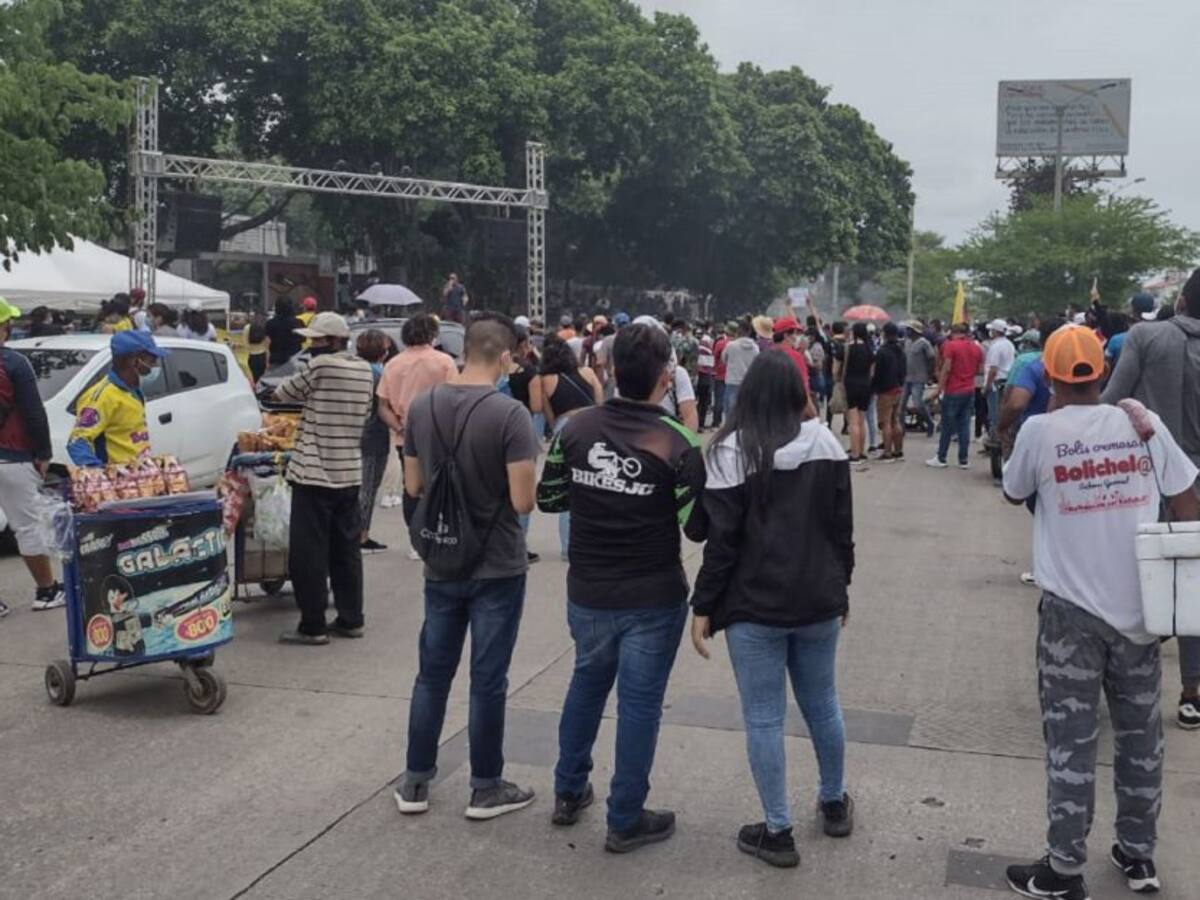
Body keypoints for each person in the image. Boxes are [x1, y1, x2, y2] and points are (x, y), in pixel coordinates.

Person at [1002, 325, 1198, 900]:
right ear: (1103, 371)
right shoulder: (1142, 423)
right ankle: (1138, 855)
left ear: (1052, 376)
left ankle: (1064, 870)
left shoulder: (1040, 431)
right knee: (1141, 739)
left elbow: (1014, 490)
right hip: (1140, 610)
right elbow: (1187, 498)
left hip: (1070, 615)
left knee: (1072, 741)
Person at [536, 323, 706, 852]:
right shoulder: (679, 441)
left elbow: (550, 498)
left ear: (609, 370)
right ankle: (625, 817)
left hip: (589, 590)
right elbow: (697, 526)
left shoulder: (575, 429)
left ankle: (568, 792)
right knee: (639, 706)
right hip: (653, 596)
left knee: (586, 686)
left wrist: (598, 491)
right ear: (666, 377)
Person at [689, 351, 854, 868]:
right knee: (823, 703)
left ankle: (778, 831)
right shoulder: (825, 442)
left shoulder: (729, 451)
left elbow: (721, 545)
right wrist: (842, 587)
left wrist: (703, 606)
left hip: (752, 607)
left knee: (764, 717)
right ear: (798, 393)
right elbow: (841, 529)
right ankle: (834, 802)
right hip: (818, 601)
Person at [394, 317, 540, 821]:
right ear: (505, 357)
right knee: (488, 679)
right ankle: (485, 787)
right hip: (497, 563)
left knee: (432, 675)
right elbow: (523, 502)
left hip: (442, 558)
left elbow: (414, 486)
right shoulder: (510, 415)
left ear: (466, 351)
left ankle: (415, 781)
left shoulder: (423, 406)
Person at [1102, 268, 1200, 730]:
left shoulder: (1145, 337)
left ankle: (1126, 676)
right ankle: (1192, 693)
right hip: (1195, 486)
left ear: (1180, 302)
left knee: (1133, 575)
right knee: (1193, 584)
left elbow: (1112, 400)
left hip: (1146, 480)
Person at [272, 313, 374, 645]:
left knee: (309, 553)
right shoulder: (365, 370)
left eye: (315, 340)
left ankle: (313, 625)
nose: (310, 345)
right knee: (346, 551)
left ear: (332, 341)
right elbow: (365, 413)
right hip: (349, 473)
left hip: (314, 474)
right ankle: (351, 618)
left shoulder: (321, 366)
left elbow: (284, 393)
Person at [0, 299, 64, 616]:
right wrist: (43, 453)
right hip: (13, 457)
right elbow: (34, 413)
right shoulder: (14, 363)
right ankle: (47, 590)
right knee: (26, 526)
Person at [376, 315, 458, 534]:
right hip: (439, 434)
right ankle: (440, 531)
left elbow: (382, 406)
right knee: (441, 485)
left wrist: (399, 427)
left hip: (405, 436)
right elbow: (456, 399)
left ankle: (416, 535)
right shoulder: (444, 362)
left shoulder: (393, 364)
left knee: (411, 487)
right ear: (433, 334)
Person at [530, 336, 603, 559]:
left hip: (566, 428)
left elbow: (546, 412)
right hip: (592, 425)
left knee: (569, 485)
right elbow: (600, 402)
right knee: (594, 482)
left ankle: (569, 547)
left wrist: (556, 431)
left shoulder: (545, 379)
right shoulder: (588, 372)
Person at [68, 331, 168, 467]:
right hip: (118, 476)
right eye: (151, 361)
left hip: (139, 473)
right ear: (134, 361)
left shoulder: (134, 390)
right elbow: (77, 441)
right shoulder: (103, 396)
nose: (155, 366)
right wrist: (98, 471)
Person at [926, 323, 982, 470]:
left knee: (947, 425)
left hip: (953, 389)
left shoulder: (950, 346)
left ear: (953, 333)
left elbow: (947, 368)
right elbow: (979, 369)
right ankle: (963, 460)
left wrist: (939, 388)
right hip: (969, 389)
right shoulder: (976, 348)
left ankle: (941, 457)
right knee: (964, 425)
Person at [356, 329, 391, 553]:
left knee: (362, 487)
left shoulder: (355, 370)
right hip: (374, 436)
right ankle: (361, 535)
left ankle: (358, 533)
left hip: (357, 434)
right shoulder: (380, 375)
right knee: (368, 488)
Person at [871, 322, 907, 461]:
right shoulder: (901, 350)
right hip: (898, 388)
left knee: (885, 422)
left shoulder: (882, 352)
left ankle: (887, 452)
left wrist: (874, 387)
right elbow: (904, 371)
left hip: (885, 390)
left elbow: (877, 373)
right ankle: (898, 450)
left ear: (884, 334)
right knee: (895, 420)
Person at [842, 323, 874, 466]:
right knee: (862, 420)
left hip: (851, 385)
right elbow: (872, 372)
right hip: (865, 385)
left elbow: (838, 370)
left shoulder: (849, 348)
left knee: (853, 422)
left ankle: (854, 454)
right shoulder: (869, 349)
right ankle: (861, 451)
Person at [902, 323, 936, 437]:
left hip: (919, 377)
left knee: (918, 403)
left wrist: (930, 375)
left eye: (909, 329)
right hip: (907, 377)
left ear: (914, 331)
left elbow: (932, 358)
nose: (907, 331)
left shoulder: (924, 343)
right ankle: (901, 428)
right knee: (901, 404)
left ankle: (929, 423)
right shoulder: (907, 342)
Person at [722, 321, 760, 420]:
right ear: (749, 331)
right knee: (747, 413)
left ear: (738, 330)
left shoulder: (731, 345)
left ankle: (731, 429)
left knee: (730, 414)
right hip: (748, 383)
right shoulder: (755, 348)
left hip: (732, 382)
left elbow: (723, 359)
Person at [266, 297, 304, 366]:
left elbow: (267, 340)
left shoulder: (270, 323)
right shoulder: (298, 323)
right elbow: (303, 339)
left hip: (276, 358)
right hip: (294, 358)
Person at [712, 322, 733, 429]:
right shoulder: (735, 344)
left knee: (718, 399)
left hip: (719, 374)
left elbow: (715, 356)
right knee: (730, 400)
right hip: (731, 376)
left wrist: (715, 369)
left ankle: (716, 421)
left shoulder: (720, 343)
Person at [695, 330, 715, 432]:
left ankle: (696, 424)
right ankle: (700, 424)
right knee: (703, 403)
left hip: (698, 377)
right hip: (706, 378)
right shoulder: (710, 352)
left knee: (698, 402)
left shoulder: (697, 349)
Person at [245, 312, 269, 384]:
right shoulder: (264, 327)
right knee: (262, 378)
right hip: (262, 356)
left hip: (252, 356)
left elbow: (246, 344)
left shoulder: (247, 327)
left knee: (255, 378)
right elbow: (267, 344)